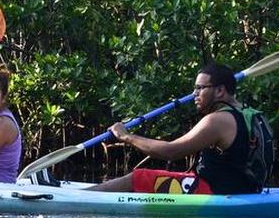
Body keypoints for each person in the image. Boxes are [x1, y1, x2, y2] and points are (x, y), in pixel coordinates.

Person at [88, 63, 261, 194]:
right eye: (195, 88)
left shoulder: (217, 120)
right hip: (248, 188)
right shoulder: (251, 114)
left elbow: (171, 151)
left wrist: (126, 136)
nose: (195, 94)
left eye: (200, 88)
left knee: (138, 177)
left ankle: (83, 198)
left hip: (215, 191)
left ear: (220, 91)